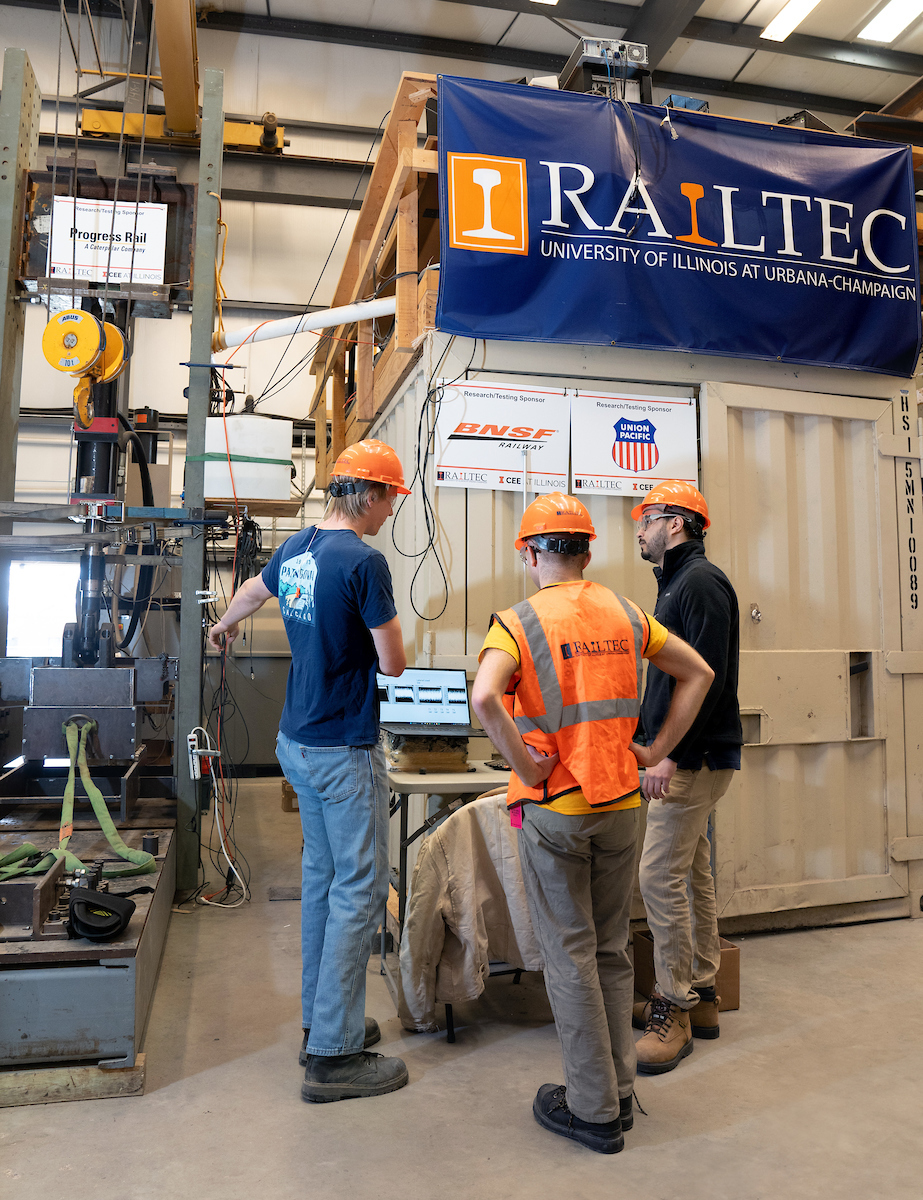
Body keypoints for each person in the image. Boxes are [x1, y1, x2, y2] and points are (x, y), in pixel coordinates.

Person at [471, 492, 713, 1154]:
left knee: (569, 955)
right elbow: (698, 673)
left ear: (528, 553)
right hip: (621, 809)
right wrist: (657, 750)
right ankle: (619, 1091)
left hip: (558, 809)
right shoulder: (623, 610)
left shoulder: (517, 622)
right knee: (608, 951)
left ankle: (592, 1110)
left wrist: (524, 763)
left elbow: (484, 695)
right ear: (586, 550)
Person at [208, 439, 411, 1104]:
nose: (389, 513)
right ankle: (333, 1055)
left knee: (324, 883)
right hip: (343, 748)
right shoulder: (363, 562)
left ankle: (322, 1022)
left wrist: (224, 627)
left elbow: (248, 593)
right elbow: (393, 665)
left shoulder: (297, 548)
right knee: (358, 891)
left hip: (296, 742)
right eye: (389, 500)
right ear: (371, 495)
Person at [631, 481, 742, 1075]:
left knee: (658, 874)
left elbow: (710, 680)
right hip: (692, 755)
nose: (640, 530)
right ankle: (701, 994)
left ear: (676, 524)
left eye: (647, 520)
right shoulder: (679, 583)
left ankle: (672, 1005)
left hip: (693, 759)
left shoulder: (698, 583)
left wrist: (671, 754)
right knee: (692, 868)